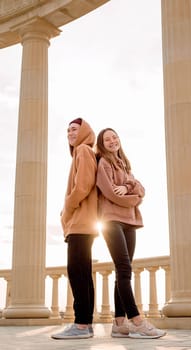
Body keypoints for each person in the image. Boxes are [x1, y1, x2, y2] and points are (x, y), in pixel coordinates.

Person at [96, 127, 166, 339]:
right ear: (102, 144)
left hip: (130, 221)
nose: (112, 141)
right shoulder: (104, 163)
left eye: (114, 137)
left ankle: (118, 324)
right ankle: (136, 321)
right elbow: (109, 192)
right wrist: (133, 197)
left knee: (122, 271)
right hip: (111, 220)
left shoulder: (124, 165)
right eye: (107, 139)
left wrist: (128, 187)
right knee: (124, 268)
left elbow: (141, 190)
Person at [51, 118, 98, 339]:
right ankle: (86, 324)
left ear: (84, 132)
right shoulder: (85, 151)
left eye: (75, 130)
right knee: (83, 274)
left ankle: (80, 325)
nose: (70, 133)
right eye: (68, 130)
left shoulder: (82, 150)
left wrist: (67, 209)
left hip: (80, 222)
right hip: (85, 223)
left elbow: (84, 185)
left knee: (76, 273)